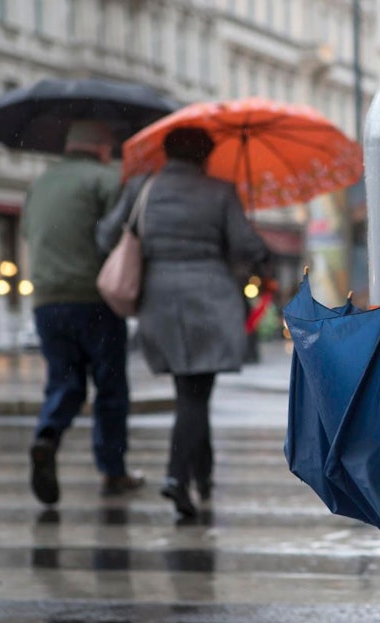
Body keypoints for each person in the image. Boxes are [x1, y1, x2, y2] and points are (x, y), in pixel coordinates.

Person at [96, 127, 271, 518]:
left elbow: (107, 235)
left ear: (167, 153)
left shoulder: (143, 187)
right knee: (196, 394)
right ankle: (177, 476)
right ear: (205, 156)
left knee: (189, 392)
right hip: (209, 298)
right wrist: (261, 250)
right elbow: (245, 246)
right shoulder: (220, 191)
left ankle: (202, 476)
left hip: (158, 301)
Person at [21, 120, 145, 506]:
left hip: (46, 300)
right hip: (94, 299)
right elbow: (116, 235)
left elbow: (29, 234)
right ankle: (112, 469)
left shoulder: (40, 183)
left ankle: (47, 436)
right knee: (109, 387)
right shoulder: (106, 179)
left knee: (64, 381)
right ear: (102, 147)